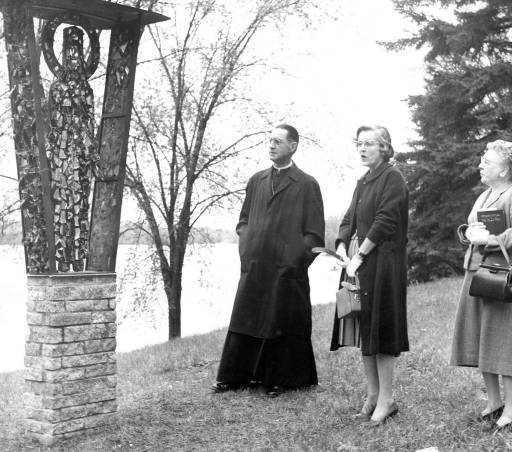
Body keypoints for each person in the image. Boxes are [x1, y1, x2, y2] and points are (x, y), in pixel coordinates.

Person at [212, 124, 325, 397]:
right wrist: (247, 248)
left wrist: (293, 261)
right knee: (245, 317)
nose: (271, 146)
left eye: (277, 141)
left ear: (293, 146)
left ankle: (282, 379)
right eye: (269, 141)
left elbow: (314, 235)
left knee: (281, 320)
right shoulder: (256, 181)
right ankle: (234, 377)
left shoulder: (307, 184)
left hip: (286, 272)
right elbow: (243, 222)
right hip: (254, 267)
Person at [330, 125, 409, 425]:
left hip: (384, 264)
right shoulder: (363, 180)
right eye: (359, 144)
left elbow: (385, 222)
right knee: (365, 326)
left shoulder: (393, 178)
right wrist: (340, 246)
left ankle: (387, 399)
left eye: (369, 144)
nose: (362, 149)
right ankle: (373, 395)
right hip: (359, 263)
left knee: (382, 329)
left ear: (385, 147)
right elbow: (349, 217)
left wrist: (360, 254)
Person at [451, 139, 512, 431]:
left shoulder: (511, 194)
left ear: (504, 170)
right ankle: (494, 402)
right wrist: (468, 233)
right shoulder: (485, 195)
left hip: (500, 276)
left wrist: (488, 239)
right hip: (476, 272)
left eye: (487, 161)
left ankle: (511, 409)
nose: (480, 164)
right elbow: (472, 227)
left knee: (502, 341)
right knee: (480, 339)